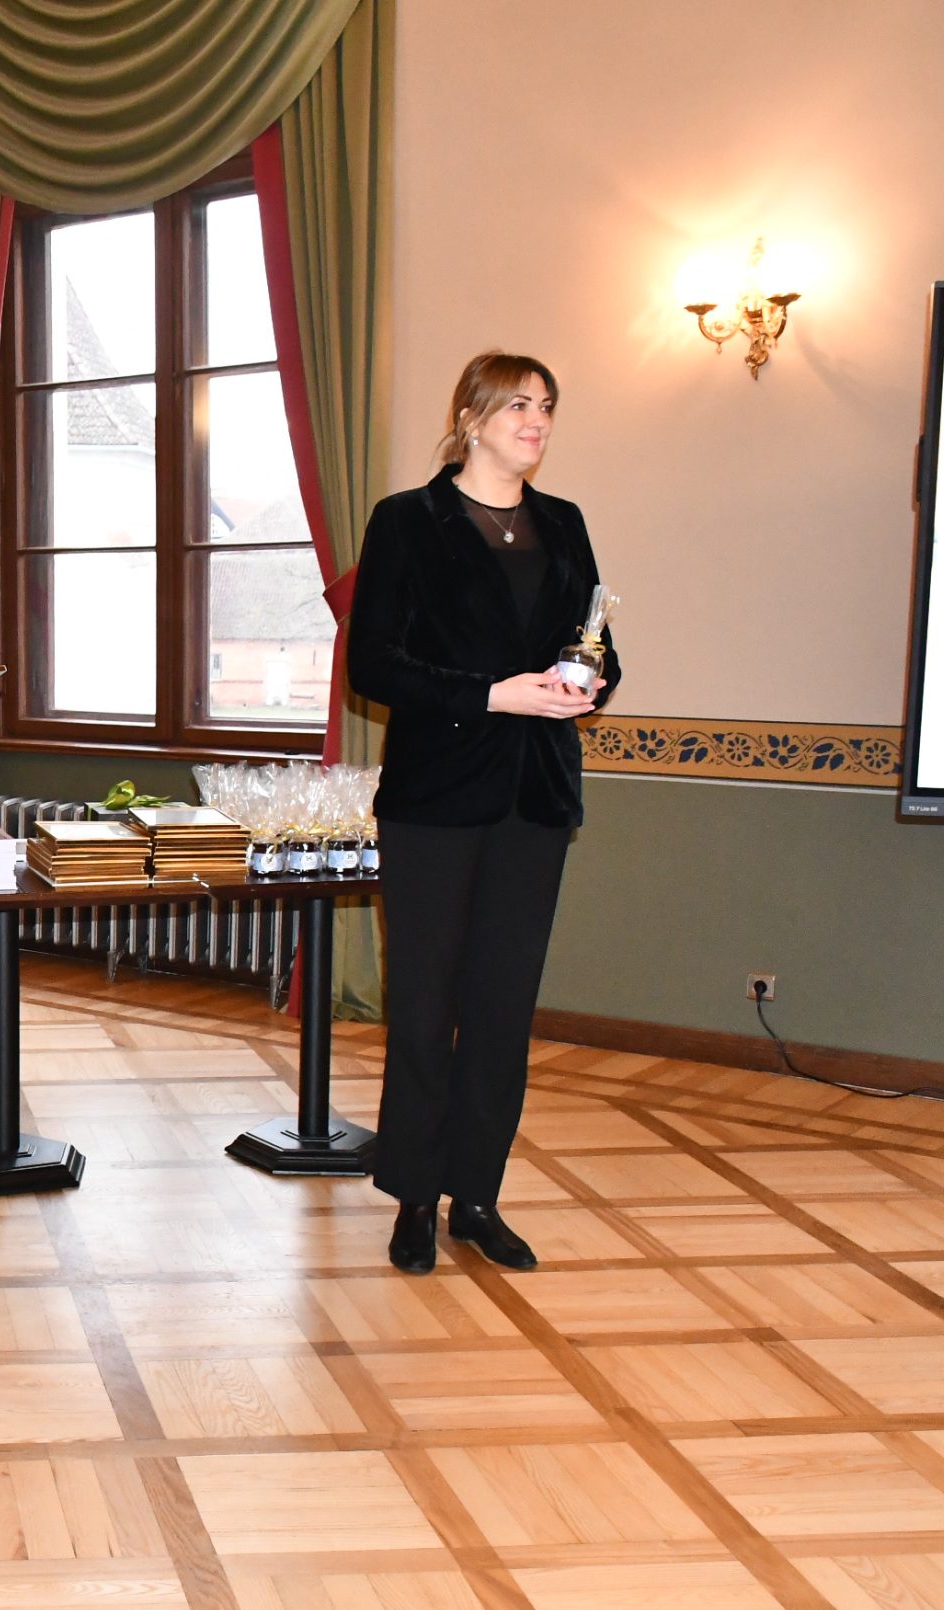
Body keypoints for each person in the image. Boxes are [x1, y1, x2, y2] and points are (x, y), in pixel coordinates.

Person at [346, 351, 620, 1276]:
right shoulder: (407, 521)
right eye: (517, 406)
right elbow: (373, 664)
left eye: (546, 406)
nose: (535, 421)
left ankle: (476, 1197)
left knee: (502, 1011)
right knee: (426, 1008)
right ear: (470, 418)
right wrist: (492, 694)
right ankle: (412, 1196)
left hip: (535, 797)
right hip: (434, 800)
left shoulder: (564, 523)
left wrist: (587, 682)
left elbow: (599, 644)